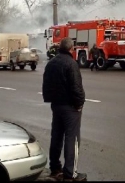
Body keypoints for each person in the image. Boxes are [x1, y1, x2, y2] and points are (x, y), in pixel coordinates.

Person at [42, 37, 87, 182]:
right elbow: (76, 87)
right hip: (70, 107)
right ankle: (70, 173)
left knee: (56, 136)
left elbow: (46, 84)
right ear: (71, 49)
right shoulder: (71, 63)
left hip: (56, 105)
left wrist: (51, 99)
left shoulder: (52, 63)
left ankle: (55, 167)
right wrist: (79, 103)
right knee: (72, 138)